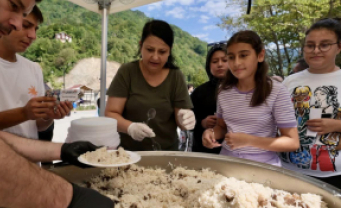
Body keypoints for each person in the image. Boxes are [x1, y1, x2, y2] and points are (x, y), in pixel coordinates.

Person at [0, 0, 114, 207]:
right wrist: (24, 113)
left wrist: (50, 122)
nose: (25, 30)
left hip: (29, 171)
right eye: (14, 7)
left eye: (32, 26)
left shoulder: (33, 69)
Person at [0, 5, 71, 147]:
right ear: (9, 21)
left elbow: (37, 126)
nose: (33, 36)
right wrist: (24, 113)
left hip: (30, 163)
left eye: (35, 29)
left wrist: (48, 116)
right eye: (26, 26)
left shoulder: (33, 68)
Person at [202, 30, 299, 166]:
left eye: (243, 55)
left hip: (263, 165)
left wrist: (249, 140)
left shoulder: (277, 91)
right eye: (231, 57)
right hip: (227, 162)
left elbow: (292, 142)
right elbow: (222, 127)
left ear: (260, 55)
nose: (236, 63)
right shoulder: (223, 90)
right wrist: (210, 132)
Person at [105, 20, 195, 151]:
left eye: (162, 52)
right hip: (128, 154)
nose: (155, 57)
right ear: (141, 46)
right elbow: (110, 113)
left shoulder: (175, 76)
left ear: (170, 51)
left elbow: (180, 120)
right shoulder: (127, 72)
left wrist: (185, 118)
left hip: (166, 154)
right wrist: (130, 127)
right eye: (149, 50)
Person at [279, 18, 341, 189]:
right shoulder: (289, 82)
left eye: (324, 45)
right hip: (289, 171)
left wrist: (336, 124)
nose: (316, 50)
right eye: (310, 45)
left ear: (339, 47)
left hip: (334, 175)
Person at [191, 42, 228, 153]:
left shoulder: (241, 90)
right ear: (208, 65)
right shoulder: (199, 92)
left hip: (234, 153)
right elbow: (186, 121)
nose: (220, 64)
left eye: (225, 60)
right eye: (215, 61)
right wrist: (202, 123)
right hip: (203, 151)